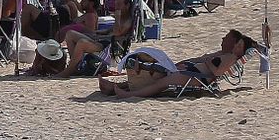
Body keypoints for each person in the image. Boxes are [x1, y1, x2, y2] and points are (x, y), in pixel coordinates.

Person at [99, 30, 259, 98]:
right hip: (194, 72)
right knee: (157, 77)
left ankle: (128, 94)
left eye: (239, 46)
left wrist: (208, 62)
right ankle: (118, 87)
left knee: (160, 83)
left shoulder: (231, 58)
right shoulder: (228, 55)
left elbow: (216, 73)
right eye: (237, 44)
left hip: (197, 77)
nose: (236, 47)